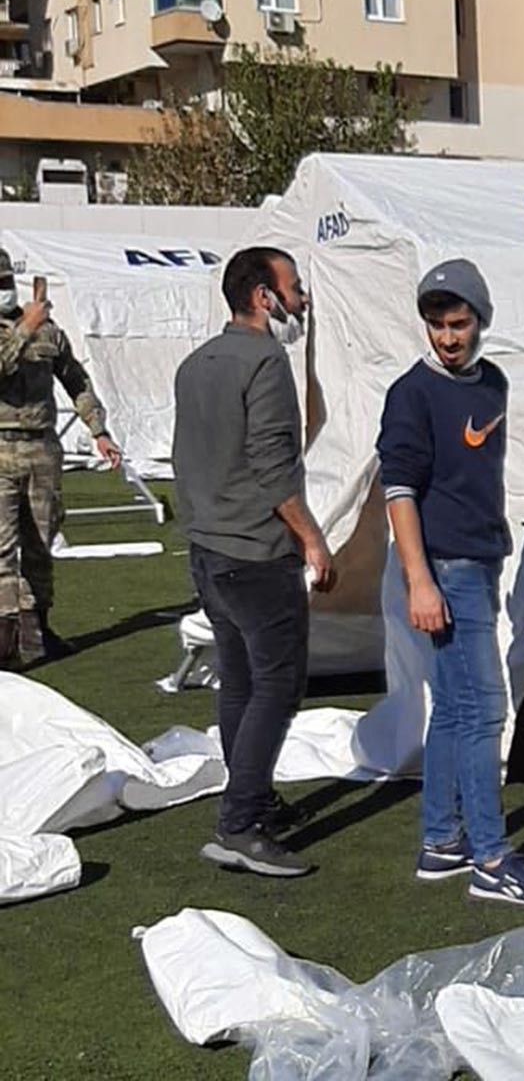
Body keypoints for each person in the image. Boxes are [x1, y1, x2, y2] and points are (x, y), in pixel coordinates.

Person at [378, 259, 524, 906]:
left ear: (480, 320)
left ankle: (441, 841)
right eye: (437, 325)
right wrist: (418, 581)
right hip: (442, 571)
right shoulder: (413, 394)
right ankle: (490, 858)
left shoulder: (492, 385)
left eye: (458, 324)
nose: (447, 337)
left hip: (478, 565)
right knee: (485, 709)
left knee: (457, 710)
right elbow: (398, 490)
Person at [173, 246, 335, 878]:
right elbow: (272, 471)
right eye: (293, 288)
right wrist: (313, 541)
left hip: (209, 551)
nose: (302, 300)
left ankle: (252, 800)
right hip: (255, 553)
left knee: (239, 681)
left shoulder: (196, 364)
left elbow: (191, 456)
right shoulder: (265, 361)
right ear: (264, 297)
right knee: (277, 685)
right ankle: (240, 822)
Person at [0, 249, 122, 670]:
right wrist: (22, 330)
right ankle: (4, 638)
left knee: (41, 541)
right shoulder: (22, 328)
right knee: (1, 547)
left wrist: (98, 429)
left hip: (42, 448)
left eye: (4, 283)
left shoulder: (47, 331)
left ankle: (37, 630)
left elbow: (75, 379)